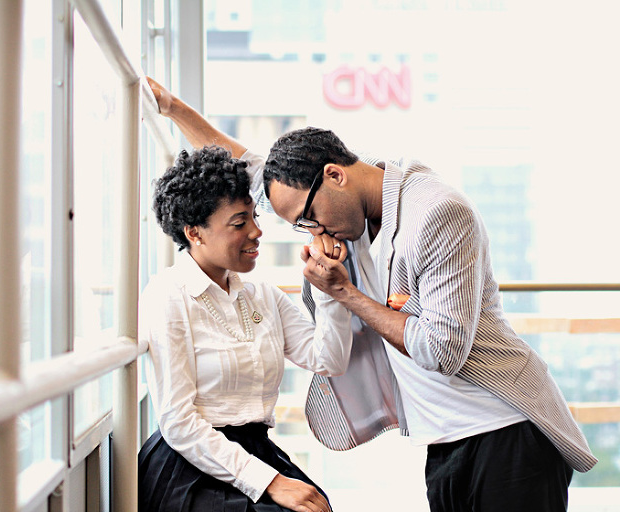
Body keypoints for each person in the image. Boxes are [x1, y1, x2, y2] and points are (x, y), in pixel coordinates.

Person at [146, 77, 597, 512]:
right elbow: (249, 169)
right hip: (442, 439)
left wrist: (343, 293)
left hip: (503, 427)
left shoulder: (436, 212)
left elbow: (441, 349)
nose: (315, 232)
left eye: (308, 218)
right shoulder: (337, 204)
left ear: (335, 175)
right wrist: (173, 108)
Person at [138, 144, 354, 512]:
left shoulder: (261, 294)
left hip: (256, 450)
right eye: (239, 223)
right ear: (195, 233)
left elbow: (328, 359)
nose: (256, 231)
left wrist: (330, 289)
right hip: (190, 464)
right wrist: (270, 482)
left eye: (253, 216)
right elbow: (178, 421)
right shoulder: (168, 295)